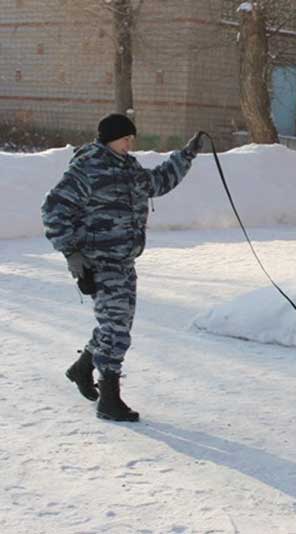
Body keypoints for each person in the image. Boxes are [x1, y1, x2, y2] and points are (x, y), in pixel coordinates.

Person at [41, 112, 204, 422]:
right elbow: (53, 209)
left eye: (132, 138)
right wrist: (71, 253)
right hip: (98, 262)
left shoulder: (129, 168)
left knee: (116, 324)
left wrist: (187, 155)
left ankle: (82, 367)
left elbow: (158, 182)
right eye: (125, 138)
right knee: (116, 329)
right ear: (110, 138)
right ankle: (110, 400)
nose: (131, 143)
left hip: (124, 261)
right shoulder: (87, 168)